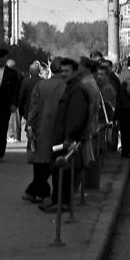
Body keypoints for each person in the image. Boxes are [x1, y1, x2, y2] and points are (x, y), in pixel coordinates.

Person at [42, 57, 92, 213]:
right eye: (62, 71)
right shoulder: (71, 87)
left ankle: (62, 203)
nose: (64, 74)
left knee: (63, 171)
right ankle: (57, 201)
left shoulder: (77, 90)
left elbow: (75, 118)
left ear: (75, 72)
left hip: (66, 140)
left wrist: (69, 138)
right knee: (58, 171)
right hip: (62, 139)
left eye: (67, 71)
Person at [23, 58, 66, 203]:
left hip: (40, 130)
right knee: (53, 164)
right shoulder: (67, 86)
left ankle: (39, 192)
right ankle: (38, 192)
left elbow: (33, 110)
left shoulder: (41, 85)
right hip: (60, 130)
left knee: (40, 163)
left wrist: (30, 128)